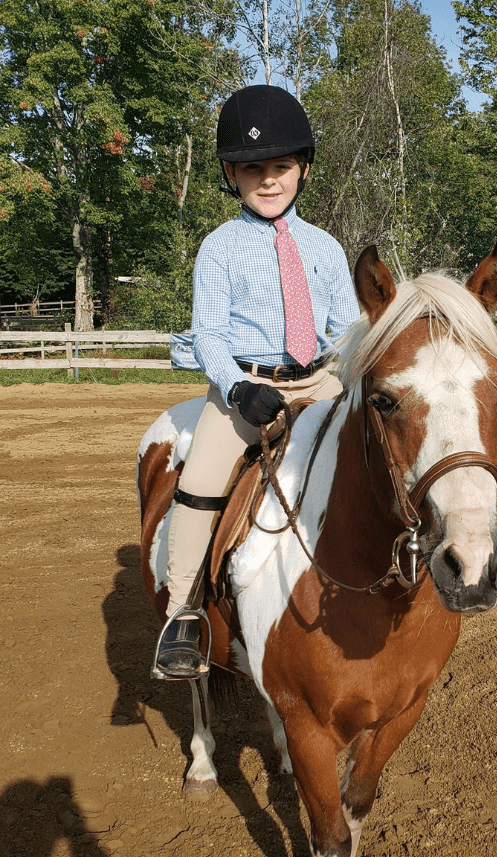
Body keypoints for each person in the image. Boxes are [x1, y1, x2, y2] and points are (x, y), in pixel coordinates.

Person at [154, 85, 360, 680]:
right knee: (200, 485)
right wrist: (237, 387)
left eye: (280, 167)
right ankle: (183, 614)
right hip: (246, 387)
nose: (269, 181)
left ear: (302, 169)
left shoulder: (323, 246)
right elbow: (210, 334)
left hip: (315, 382)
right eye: (253, 170)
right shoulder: (217, 248)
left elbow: (346, 328)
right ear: (231, 174)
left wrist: (353, 368)